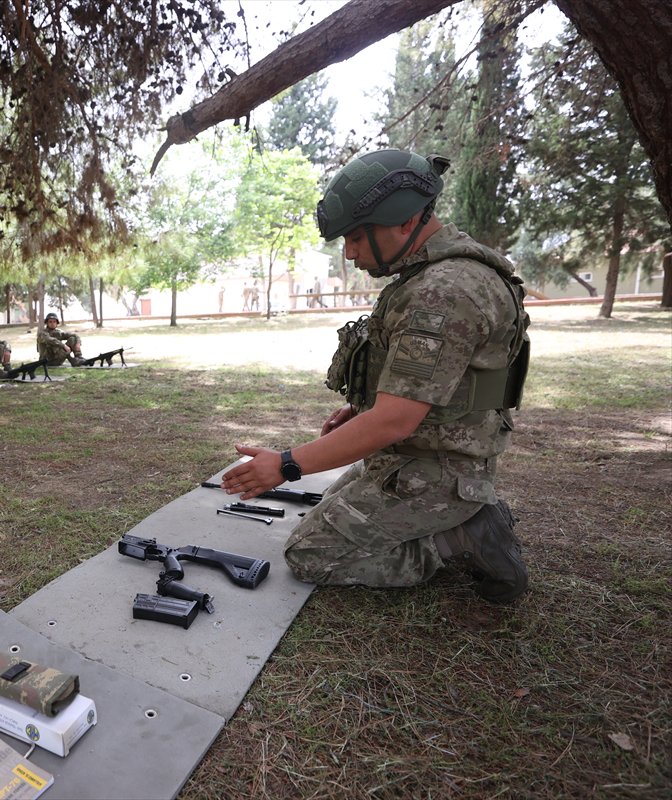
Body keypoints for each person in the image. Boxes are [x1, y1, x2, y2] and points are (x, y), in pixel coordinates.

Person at [221, 149, 531, 603]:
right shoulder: (430, 275)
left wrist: (286, 465)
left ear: (405, 221)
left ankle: (459, 536)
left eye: (356, 237)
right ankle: (459, 518)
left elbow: (394, 421)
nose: (350, 253)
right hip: (415, 454)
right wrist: (362, 408)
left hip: (438, 469)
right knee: (324, 512)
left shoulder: (443, 291)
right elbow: (434, 384)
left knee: (309, 554)